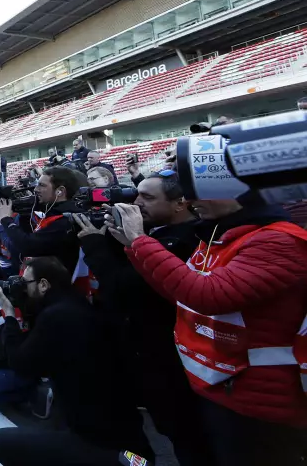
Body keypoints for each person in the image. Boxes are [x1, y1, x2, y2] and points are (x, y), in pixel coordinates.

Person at [120, 194, 307, 466]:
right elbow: (180, 293)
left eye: (203, 189)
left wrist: (141, 240)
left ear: (240, 192)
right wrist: (133, 247)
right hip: (222, 385)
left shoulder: (278, 240)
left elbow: (206, 296)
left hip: (258, 402)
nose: (192, 199)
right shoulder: (220, 237)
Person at [74, 173, 212, 466]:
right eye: (137, 195)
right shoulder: (155, 232)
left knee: (186, 435)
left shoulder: (188, 239)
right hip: (143, 350)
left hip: (166, 355)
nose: (137, 203)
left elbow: (126, 288)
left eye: (148, 197)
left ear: (179, 204)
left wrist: (97, 246)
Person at [0, 257, 152, 466]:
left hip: (99, 442)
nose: (22, 288)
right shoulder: (80, 305)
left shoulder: (56, 316)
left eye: (25, 283)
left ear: (43, 284)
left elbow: (21, 365)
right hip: (124, 430)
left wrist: (10, 316)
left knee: (1, 441)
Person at [0, 167, 85, 275]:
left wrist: (6, 219)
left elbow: (28, 245)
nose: (36, 189)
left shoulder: (66, 219)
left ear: (60, 191)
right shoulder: (52, 211)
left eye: (42, 185)